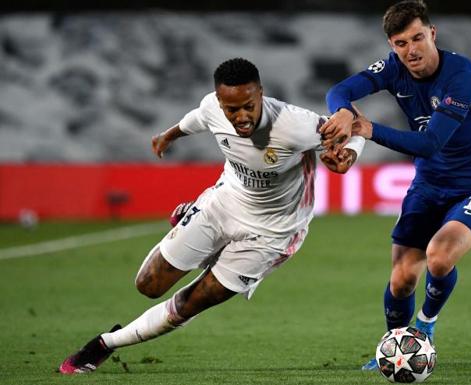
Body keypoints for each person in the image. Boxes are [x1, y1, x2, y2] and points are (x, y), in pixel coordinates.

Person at [59, 58, 364, 374]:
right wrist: (170, 134)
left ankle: (104, 344)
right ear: (220, 103)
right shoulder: (212, 108)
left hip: (273, 233)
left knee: (192, 302)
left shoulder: (296, 125)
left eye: (249, 106)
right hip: (223, 204)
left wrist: (350, 154)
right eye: (232, 110)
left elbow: (357, 127)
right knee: (148, 285)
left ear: (260, 93)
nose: (241, 117)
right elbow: (197, 118)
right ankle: (202, 231)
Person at [319, 0, 471, 370]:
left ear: (432, 34)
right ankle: (395, 347)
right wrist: (343, 110)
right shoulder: (394, 68)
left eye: (417, 38)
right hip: (429, 182)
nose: (411, 50)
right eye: (400, 43)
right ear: (392, 46)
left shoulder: (461, 75)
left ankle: (426, 325)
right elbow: (339, 90)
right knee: (402, 277)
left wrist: (368, 129)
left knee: (438, 256)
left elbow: (429, 143)